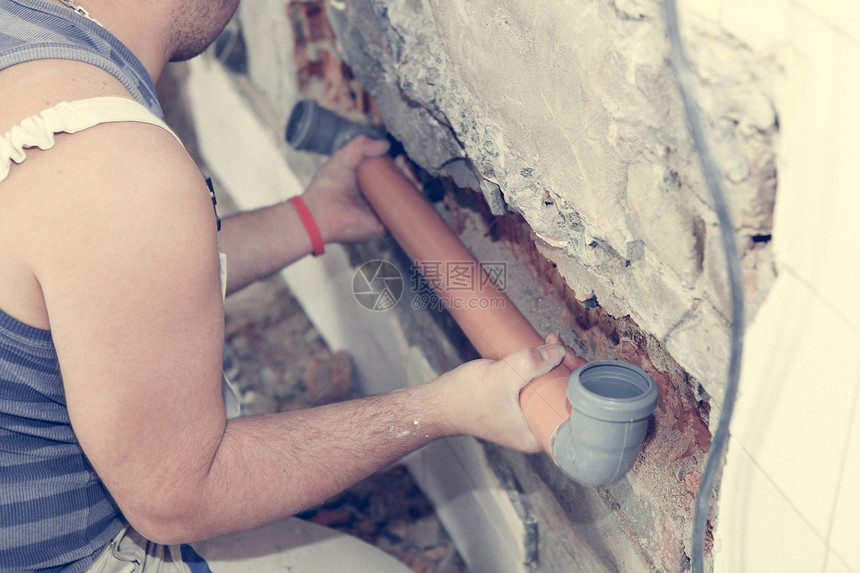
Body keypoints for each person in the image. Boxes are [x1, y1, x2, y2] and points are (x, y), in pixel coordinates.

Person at [0, 0, 572, 571]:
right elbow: (177, 498)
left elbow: (106, 278)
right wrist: (447, 408)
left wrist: (310, 217)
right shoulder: (113, 165)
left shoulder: (25, 43)